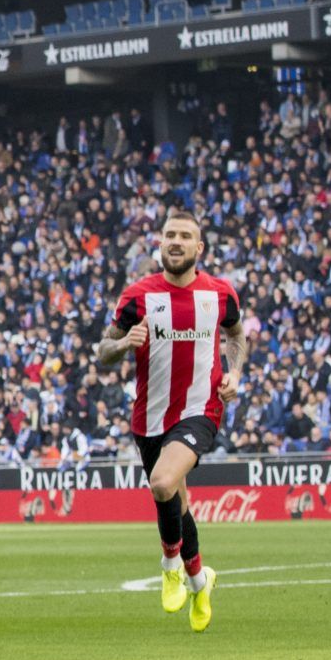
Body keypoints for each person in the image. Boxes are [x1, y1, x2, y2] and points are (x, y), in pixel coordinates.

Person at [95, 210, 246, 633]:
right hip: (150, 417)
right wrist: (125, 342)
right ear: (160, 243)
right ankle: (200, 579)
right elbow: (102, 350)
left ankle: (169, 565)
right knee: (177, 503)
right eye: (169, 235)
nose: (176, 241)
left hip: (200, 410)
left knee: (162, 483)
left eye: (185, 236)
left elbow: (236, 335)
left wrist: (234, 373)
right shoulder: (138, 296)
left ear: (199, 248)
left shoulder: (219, 294)